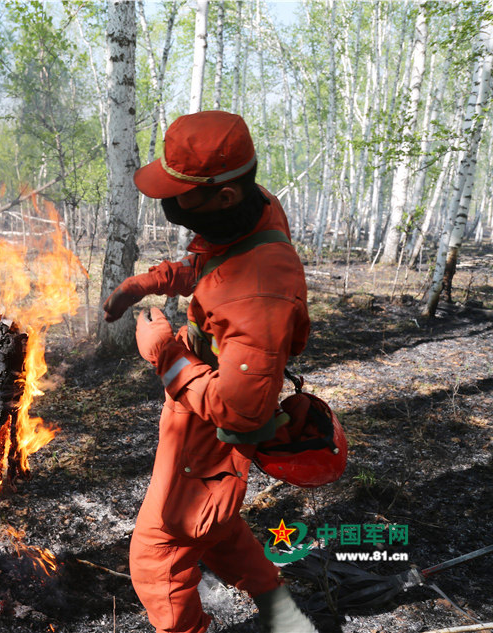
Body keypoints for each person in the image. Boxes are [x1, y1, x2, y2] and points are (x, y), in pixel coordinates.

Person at [103, 111, 317, 633]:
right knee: (214, 525)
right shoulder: (253, 206)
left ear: (223, 196)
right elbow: (218, 261)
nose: (169, 202)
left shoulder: (258, 291)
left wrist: (163, 353)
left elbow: (240, 413)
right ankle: (283, 616)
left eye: (180, 193)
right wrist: (156, 280)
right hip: (213, 384)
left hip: (216, 409)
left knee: (160, 555)